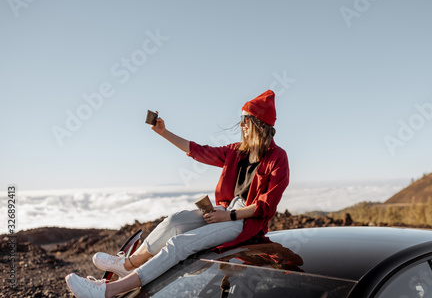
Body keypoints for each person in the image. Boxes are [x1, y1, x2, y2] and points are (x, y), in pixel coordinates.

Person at [65, 89, 290, 298]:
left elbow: (265, 206)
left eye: (244, 121)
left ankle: (107, 291)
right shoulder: (237, 151)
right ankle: (128, 265)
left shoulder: (278, 158)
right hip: (225, 211)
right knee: (175, 221)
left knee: (180, 244)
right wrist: (163, 132)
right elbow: (199, 151)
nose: (241, 126)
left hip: (245, 222)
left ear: (257, 124)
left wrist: (229, 216)